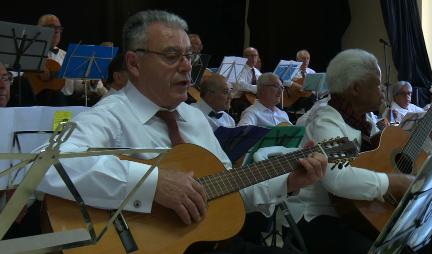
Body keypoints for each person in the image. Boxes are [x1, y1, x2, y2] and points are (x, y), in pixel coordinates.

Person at [36, 10, 328, 254]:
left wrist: (287, 181)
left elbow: (226, 188)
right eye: (172, 55)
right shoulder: (111, 115)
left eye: (188, 56)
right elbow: (45, 164)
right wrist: (151, 184)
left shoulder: (194, 117)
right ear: (134, 63)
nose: (187, 66)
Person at [267, 49, 432, 254]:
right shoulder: (328, 122)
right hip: (318, 216)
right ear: (355, 88)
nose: (382, 90)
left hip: (359, 212)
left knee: (429, 235)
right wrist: (393, 182)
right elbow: (337, 177)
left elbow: (401, 160)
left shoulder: (365, 123)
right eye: (377, 83)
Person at [35, 14, 107, 106]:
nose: (56, 31)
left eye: (59, 28)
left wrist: (93, 83)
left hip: (66, 103)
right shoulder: (27, 53)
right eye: (51, 27)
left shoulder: (67, 56)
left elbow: (78, 86)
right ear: (38, 29)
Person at [230, 47, 261, 120]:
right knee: (245, 107)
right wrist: (255, 88)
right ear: (245, 57)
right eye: (250, 55)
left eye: (255, 55)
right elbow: (239, 84)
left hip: (252, 98)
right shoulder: (239, 68)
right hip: (238, 98)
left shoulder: (257, 71)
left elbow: (262, 83)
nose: (253, 58)